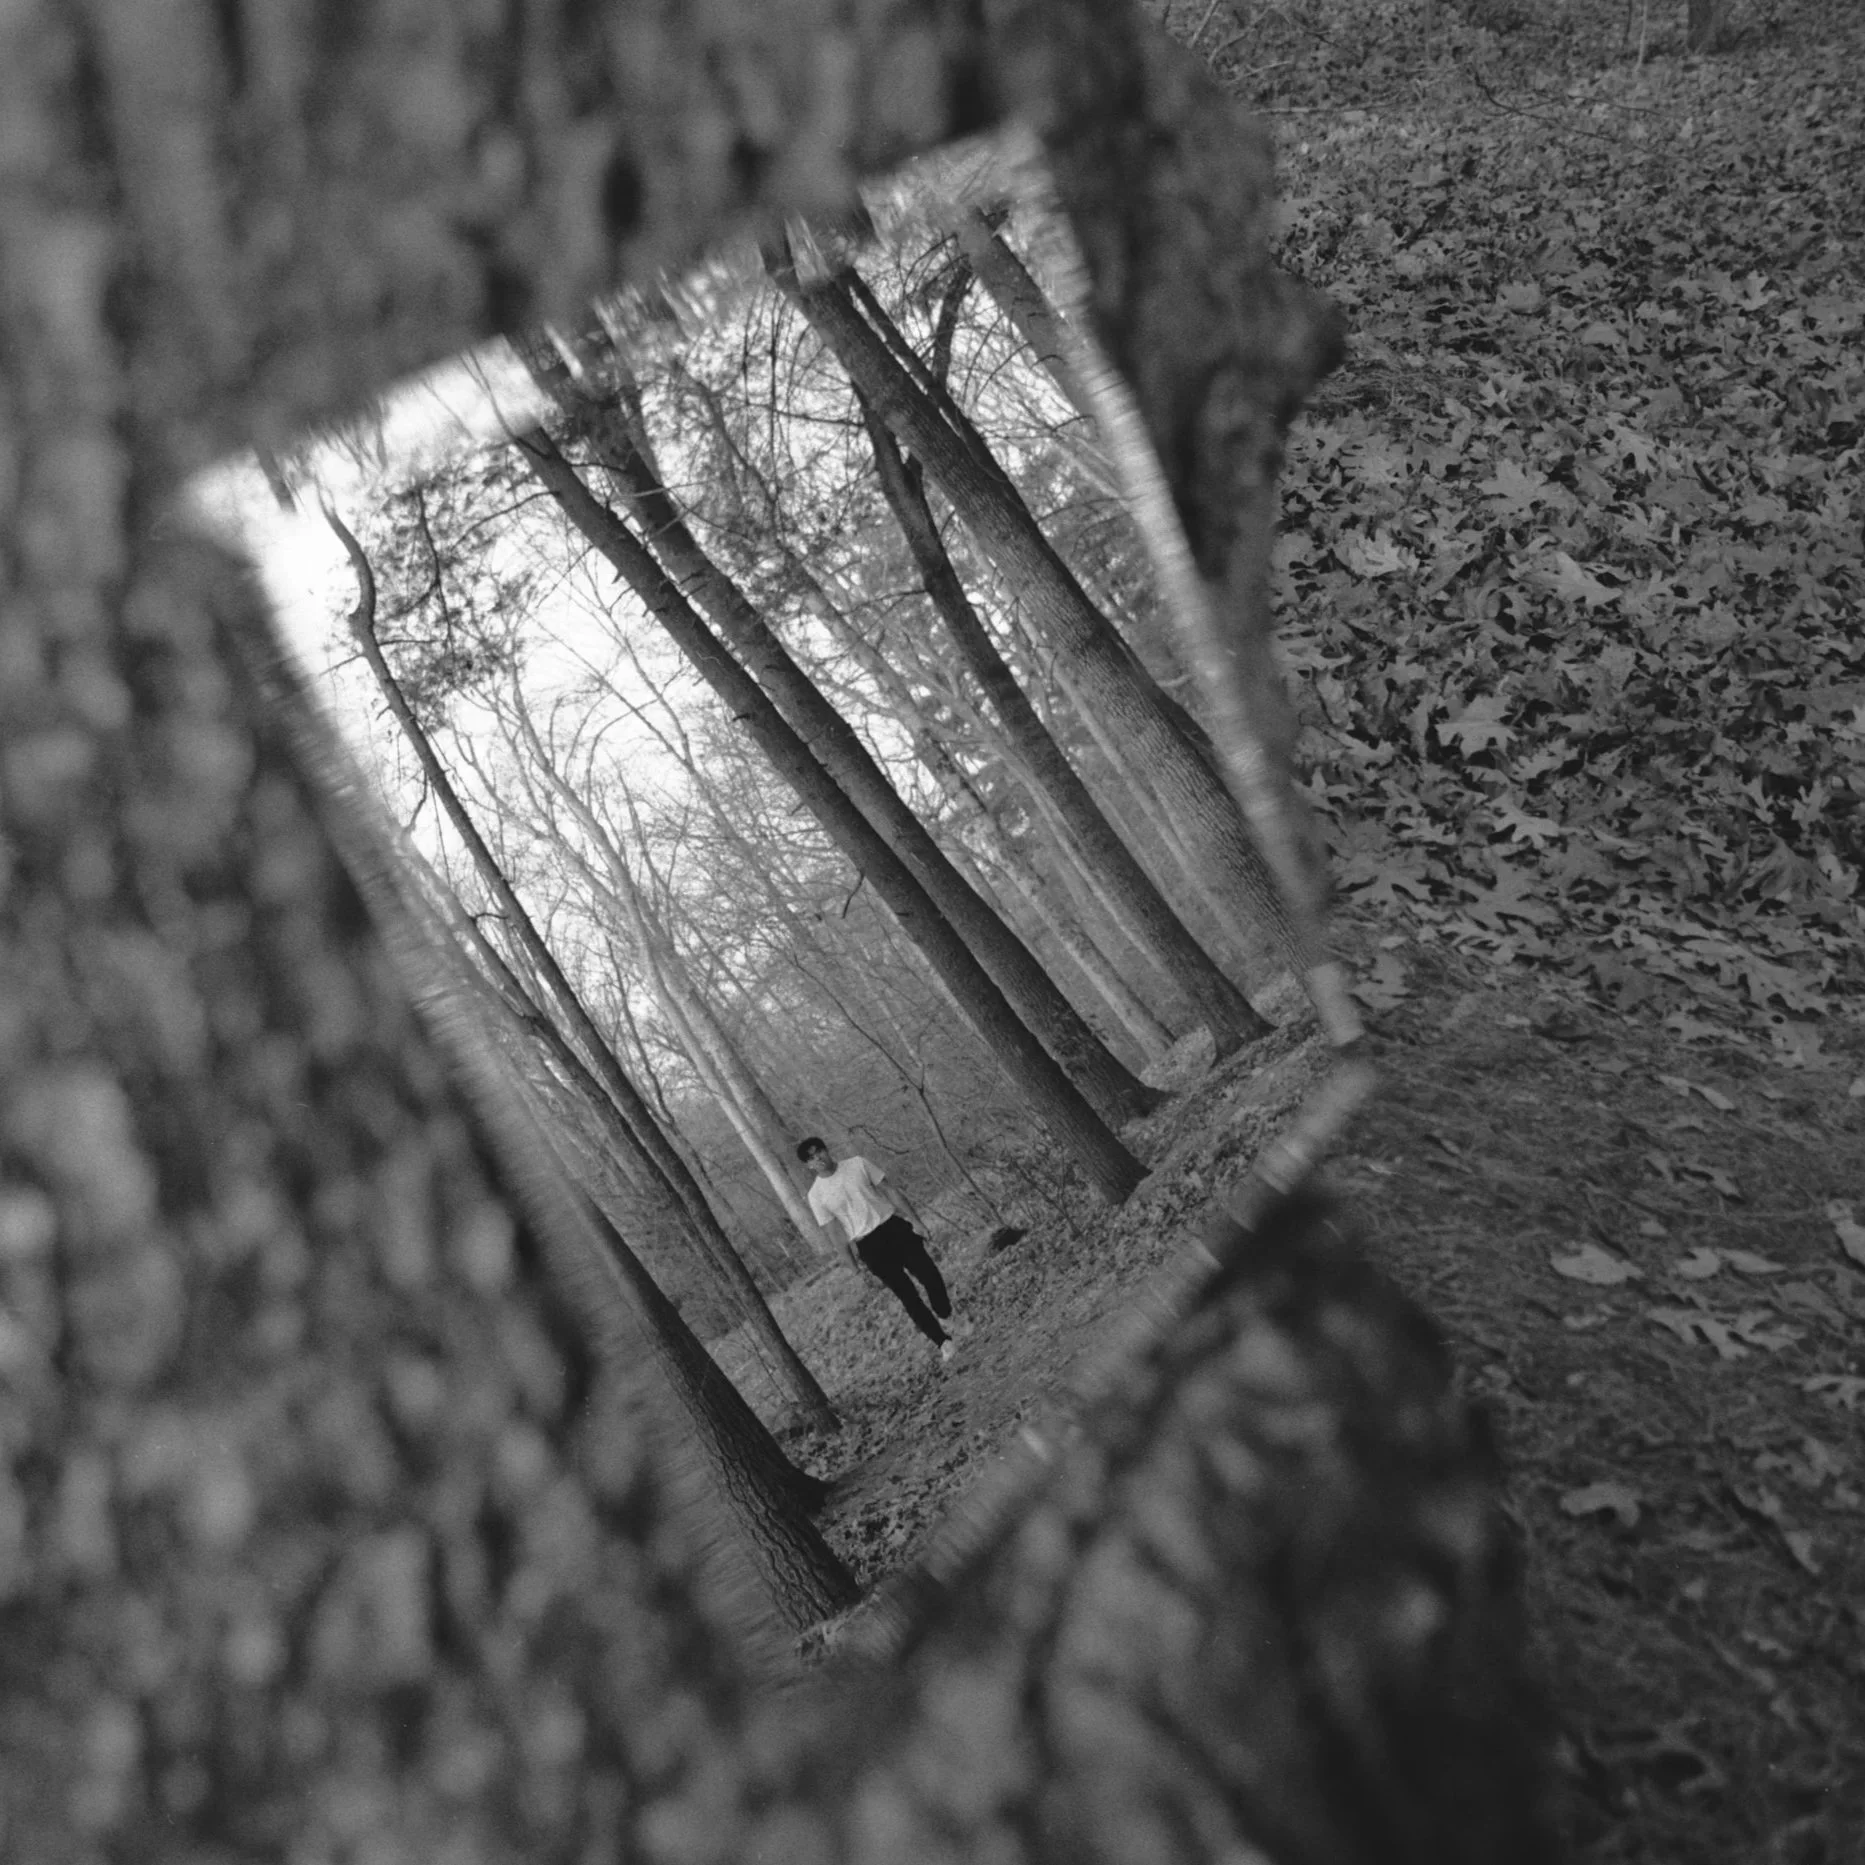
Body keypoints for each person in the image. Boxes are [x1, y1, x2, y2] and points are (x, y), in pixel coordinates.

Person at [798, 1138, 965, 1363]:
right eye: (811, 1158)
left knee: (929, 1274)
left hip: (893, 1226)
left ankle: (944, 1313)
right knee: (908, 1296)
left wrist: (915, 1220)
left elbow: (889, 1190)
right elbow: (833, 1232)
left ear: (826, 1150)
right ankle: (943, 1342)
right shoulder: (816, 1195)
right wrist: (854, 1268)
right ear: (808, 1165)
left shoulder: (857, 1164)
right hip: (868, 1245)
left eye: (819, 1151)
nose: (818, 1158)